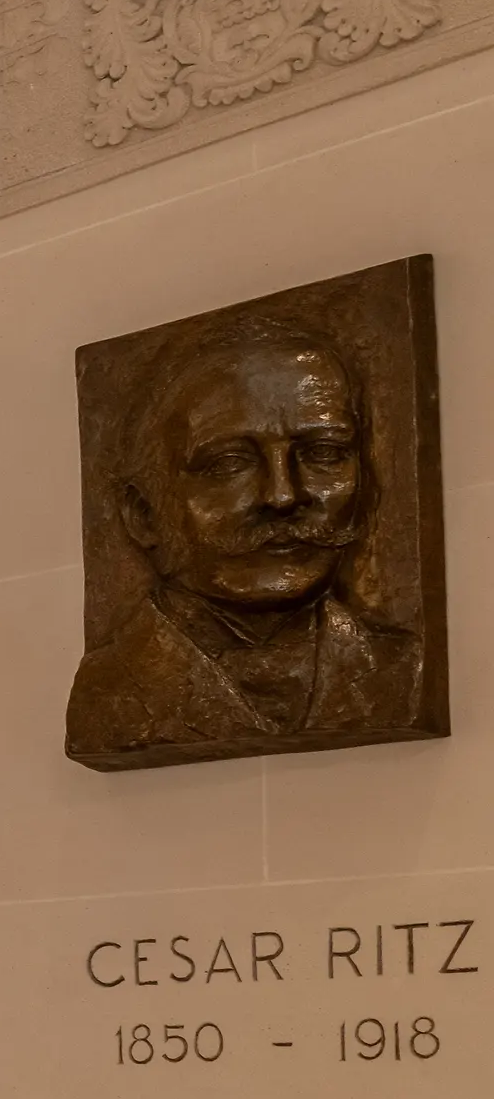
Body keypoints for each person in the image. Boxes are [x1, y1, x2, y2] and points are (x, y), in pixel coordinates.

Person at [67, 310, 427, 765]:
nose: (282, 494)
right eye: (228, 464)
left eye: (323, 452)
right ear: (144, 515)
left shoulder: (402, 667)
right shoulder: (109, 688)